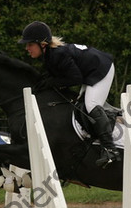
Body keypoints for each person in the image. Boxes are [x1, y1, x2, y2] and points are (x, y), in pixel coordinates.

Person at [18, 21, 121, 167]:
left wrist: (52, 83)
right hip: (89, 71)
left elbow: (75, 78)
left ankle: (110, 149)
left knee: (91, 105)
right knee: (81, 105)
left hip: (100, 69)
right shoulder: (49, 55)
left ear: (42, 44)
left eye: (30, 44)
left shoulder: (57, 54)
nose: (27, 48)